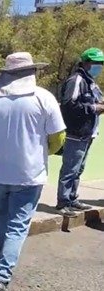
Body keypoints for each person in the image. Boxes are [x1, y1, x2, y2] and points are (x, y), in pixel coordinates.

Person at [0, 52, 66, 291]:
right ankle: (2, 275)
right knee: (17, 226)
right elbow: (58, 138)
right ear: (31, 73)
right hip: (29, 174)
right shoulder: (44, 99)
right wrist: (40, 151)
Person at [55, 47, 104, 217]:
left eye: (101, 63)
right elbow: (69, 104)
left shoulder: (90, 81)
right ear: (85, 62)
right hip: (75, 133)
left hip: (87, 133)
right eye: (96, 63)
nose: (99, 66)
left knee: (79, 169)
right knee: (70, 168)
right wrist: (94, 108)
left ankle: (72, 199)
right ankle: (63, 202)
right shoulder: (76, 80)